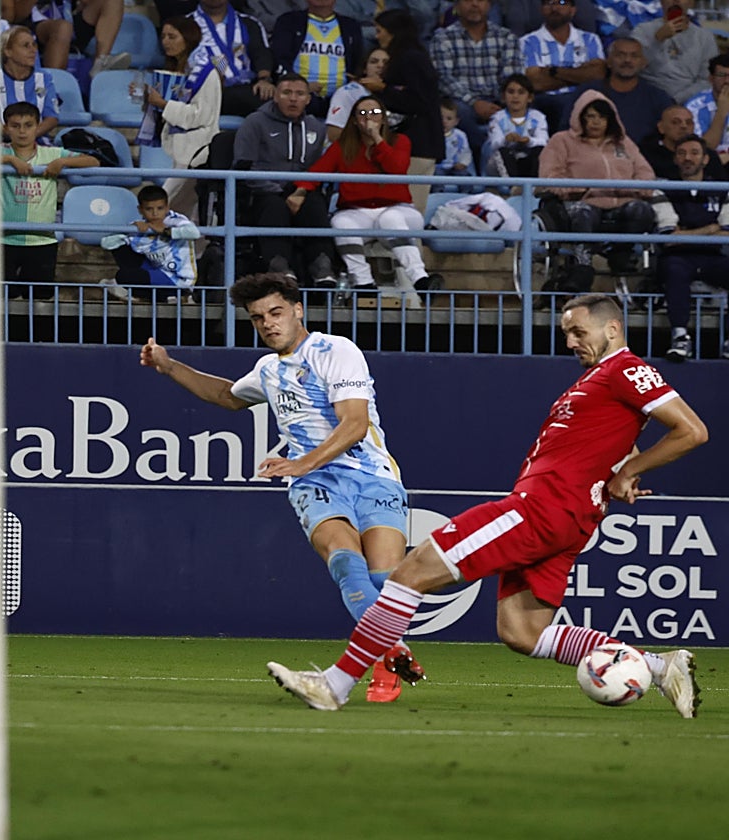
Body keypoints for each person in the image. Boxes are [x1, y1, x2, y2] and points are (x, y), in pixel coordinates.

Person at [267, 293, 707, 718]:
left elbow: (691, 430)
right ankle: (657, 666)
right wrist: (622, 468)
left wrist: (629, 472)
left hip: (543, 508)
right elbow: (607, 442)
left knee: (408, 574)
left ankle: (335, 684)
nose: (570, 342)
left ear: (613, 328)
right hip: (568, 515)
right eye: (566, 334)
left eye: (578, 331)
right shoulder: (599, 378)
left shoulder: (624, 369)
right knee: (523, 632)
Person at [140, 272, 422, 703]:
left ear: (297, 310)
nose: (268, 323)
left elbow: (354, 423)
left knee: (386, 579)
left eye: (275, 312)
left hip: (373, 476)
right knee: (347, 565)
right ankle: (392, 652)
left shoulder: (335, 350)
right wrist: (169, 365)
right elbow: (227, 397)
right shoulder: (268, 370)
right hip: (315, 482)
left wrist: (298, 461)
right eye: (258, 318)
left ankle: (387, 664)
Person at [293, 96, 445, 296]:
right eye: (362, 114)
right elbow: (317, 173)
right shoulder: (342, 146)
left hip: (399, 209)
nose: (369, 119)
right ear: (355, 121)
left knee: (390, 218)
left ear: (383, 118)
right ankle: (363, 284)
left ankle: (421, 279)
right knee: (341, 222)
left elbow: (397, 169)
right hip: (358, 211)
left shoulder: (400, 141)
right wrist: (300, 191)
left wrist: (378, 140)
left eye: (374, 113)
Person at [537, 90, 656, 290]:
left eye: (601, 117)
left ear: (611, 120)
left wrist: (638, 188)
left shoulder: (624, 143)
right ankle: (582, 264)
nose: (596, 122)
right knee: (583, 211)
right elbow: (549, 174)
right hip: (581, 202)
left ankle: (621, 253)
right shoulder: (561, 140)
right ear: (580, 118)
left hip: (620, 204)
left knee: (641, 210)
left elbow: (645, 171)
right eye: (590, 116)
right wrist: (573, 189)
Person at [232, 74, 335, 285]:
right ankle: (279, 266)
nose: (293, 99)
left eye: (300, 94)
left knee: (315, 204)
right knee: (274, 206)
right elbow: (243, 167)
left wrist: (300, 191)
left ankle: (322, 266)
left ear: (308, 98)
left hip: (302, 190)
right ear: (275, 96)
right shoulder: (254, 123)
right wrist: (278, 190)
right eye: (287, 93)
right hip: (263, 190)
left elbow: (319, 169)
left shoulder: (316, 127)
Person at [0, 101, 98, 299]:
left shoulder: (52, 153)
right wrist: (10, 160)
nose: (22, 132)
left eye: (28, 125)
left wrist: (63, 162)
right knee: (0, 301)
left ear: (38, 126)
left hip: (41, 240)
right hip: (2, 239)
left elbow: (93, 161)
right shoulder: (0, 151)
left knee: (39, 300)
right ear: (5, 128)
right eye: (15, 126)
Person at [652, 134, 729, 363]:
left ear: (705, 159)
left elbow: (727, 233)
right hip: (677, 257)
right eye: (682, 153)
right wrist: (711, 228)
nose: (688, 158)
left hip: (712, 257)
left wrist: (687, 232)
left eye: (694, 153)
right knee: (675, 271)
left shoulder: (722, 188)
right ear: (675, 159)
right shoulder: (661, 188)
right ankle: (680, 338)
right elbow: (669, 238)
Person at [361, 9, 444, 214]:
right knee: (392, 208)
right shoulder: (404, 57)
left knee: (409, 209)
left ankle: (411, 246)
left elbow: (420, 101)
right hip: (401, 145)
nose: (377, 36)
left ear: (393, 32)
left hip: (417, 145)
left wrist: (383, 89)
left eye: (380, 30)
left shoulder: (412, 59)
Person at [142, 16, 221, 222]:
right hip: (178, 153)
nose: (166, 42)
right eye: (163, 36)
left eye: (172, 36)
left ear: (188, 38)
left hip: (196, 154)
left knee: (161, 210)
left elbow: (201, 115)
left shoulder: (206, 72)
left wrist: (163, 104)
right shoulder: (178, 69)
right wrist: (148, 99)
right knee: (176, 215)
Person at [430, 0, 524, 163]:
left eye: (480, 0)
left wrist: (500, 103)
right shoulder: (442, 37)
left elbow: (512, 77)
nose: (474, 4)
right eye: (467, 0)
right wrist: (475, 102)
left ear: (489, 5)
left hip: (498, 100)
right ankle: (484, 159)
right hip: (462, 101)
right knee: (459, 112)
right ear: (457, 6)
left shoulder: (506, 37)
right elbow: (444, 78)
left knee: (523, 108)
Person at [99, 184, 199, 301]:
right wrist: (130, 228)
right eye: (149, 209)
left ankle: (177, 296)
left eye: (160, 208)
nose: (155, 213)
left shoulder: (175, 220)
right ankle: (150, 296)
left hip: (178, 279)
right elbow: (107, 243)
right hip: (155, 272)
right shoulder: (142, 226)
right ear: (140, 210)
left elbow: (194, 233)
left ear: (167, 208)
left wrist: (165, 231)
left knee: (122, 276)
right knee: (122, 248)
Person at [519, 0, 606, 132]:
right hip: (547, 102)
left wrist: (553, 71)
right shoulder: (527, 42)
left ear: (573, 10)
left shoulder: (590, 39)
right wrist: (581, 74)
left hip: (585, 99)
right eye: (548, 3)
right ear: (541, 9)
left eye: (562, 2)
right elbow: (535, 83)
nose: (554, 8)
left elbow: (598, 74)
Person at [270, 0, 366, 118]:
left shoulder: (351, 25)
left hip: (341, 99)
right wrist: (301, 86)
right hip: (299, 98)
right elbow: (278, 59)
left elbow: (358, 61)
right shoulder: (288, 21)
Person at [574, 37, 673, 146]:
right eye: (620, 55)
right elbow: (569, 131)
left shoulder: (658, 97)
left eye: (634, 56)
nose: (627, 60)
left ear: (643, 63)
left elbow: (671, 135)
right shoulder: (587, 93)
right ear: (609, 61)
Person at [189, 0, 275, 117]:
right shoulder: (184, 24)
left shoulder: (249, 23)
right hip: (201, 91)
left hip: (246, 88)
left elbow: (261, 54)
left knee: (275, 99)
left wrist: (264, 80)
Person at [632, 0, 718, 105]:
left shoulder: (705, 37)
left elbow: (707, 79)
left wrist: (676, 100)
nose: (676, 1)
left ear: (691, 3)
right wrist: (657, 40)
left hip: (689, 102)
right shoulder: (642, 31)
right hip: (648, 99)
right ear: (661, 2)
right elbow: (633, 68)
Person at [0, 25, 60, 142]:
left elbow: (52, 118)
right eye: (26, 46)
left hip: (36, 142)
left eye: (34, 45)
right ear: (8, 51)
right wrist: (13, 136)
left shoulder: (44, 77)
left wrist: (28, 136)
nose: (33, 50)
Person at [484, 72, 548, 180]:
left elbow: (544, 141)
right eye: (511, 92)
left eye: (521, 92)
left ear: (530, 97)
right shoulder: (497, 118)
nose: (515, 96)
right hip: (502, 164)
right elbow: (494, 144)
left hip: (527, 159)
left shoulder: (538, 117)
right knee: (502, 151)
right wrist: (506, 140)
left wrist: (528, 141)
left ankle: (534, 186)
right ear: (503, 97)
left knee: (539, 150)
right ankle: (512, 186)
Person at [640, 102, 727, 180]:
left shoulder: (709, 156)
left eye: (688, 122)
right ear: (661, 127)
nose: (684, 126)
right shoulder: (646, 154)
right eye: (675, 122)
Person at [324, 46, 387, 144]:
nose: (380, 65)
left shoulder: (398, 94)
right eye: (374, 62)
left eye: (386, 62)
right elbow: (333, 134)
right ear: (364, 69)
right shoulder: (348, 93)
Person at [0, 0, 74, 70]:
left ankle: (55, 80)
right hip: (23, 23)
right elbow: (9, 17)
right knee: (62, 28)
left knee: (63, 28)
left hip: (68, 16)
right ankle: (51, 80)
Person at [684, 53, 729, 157]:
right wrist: (721, 112)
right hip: (709, 164)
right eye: (722, 75)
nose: (727, 81)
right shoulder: (694, 106)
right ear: (711, 79)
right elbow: (703, 148)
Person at [434, 96, 477, 190]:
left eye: (449, 119)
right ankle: (438, 195)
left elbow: (465, 151)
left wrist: (463, 163)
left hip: (455, 166)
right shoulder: (431, 134)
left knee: (464, 176)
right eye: (441, 118)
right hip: (438, 167)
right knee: (436, 176)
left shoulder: (460, 135)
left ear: (456, 121)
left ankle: (466, 195)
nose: (444, 122)